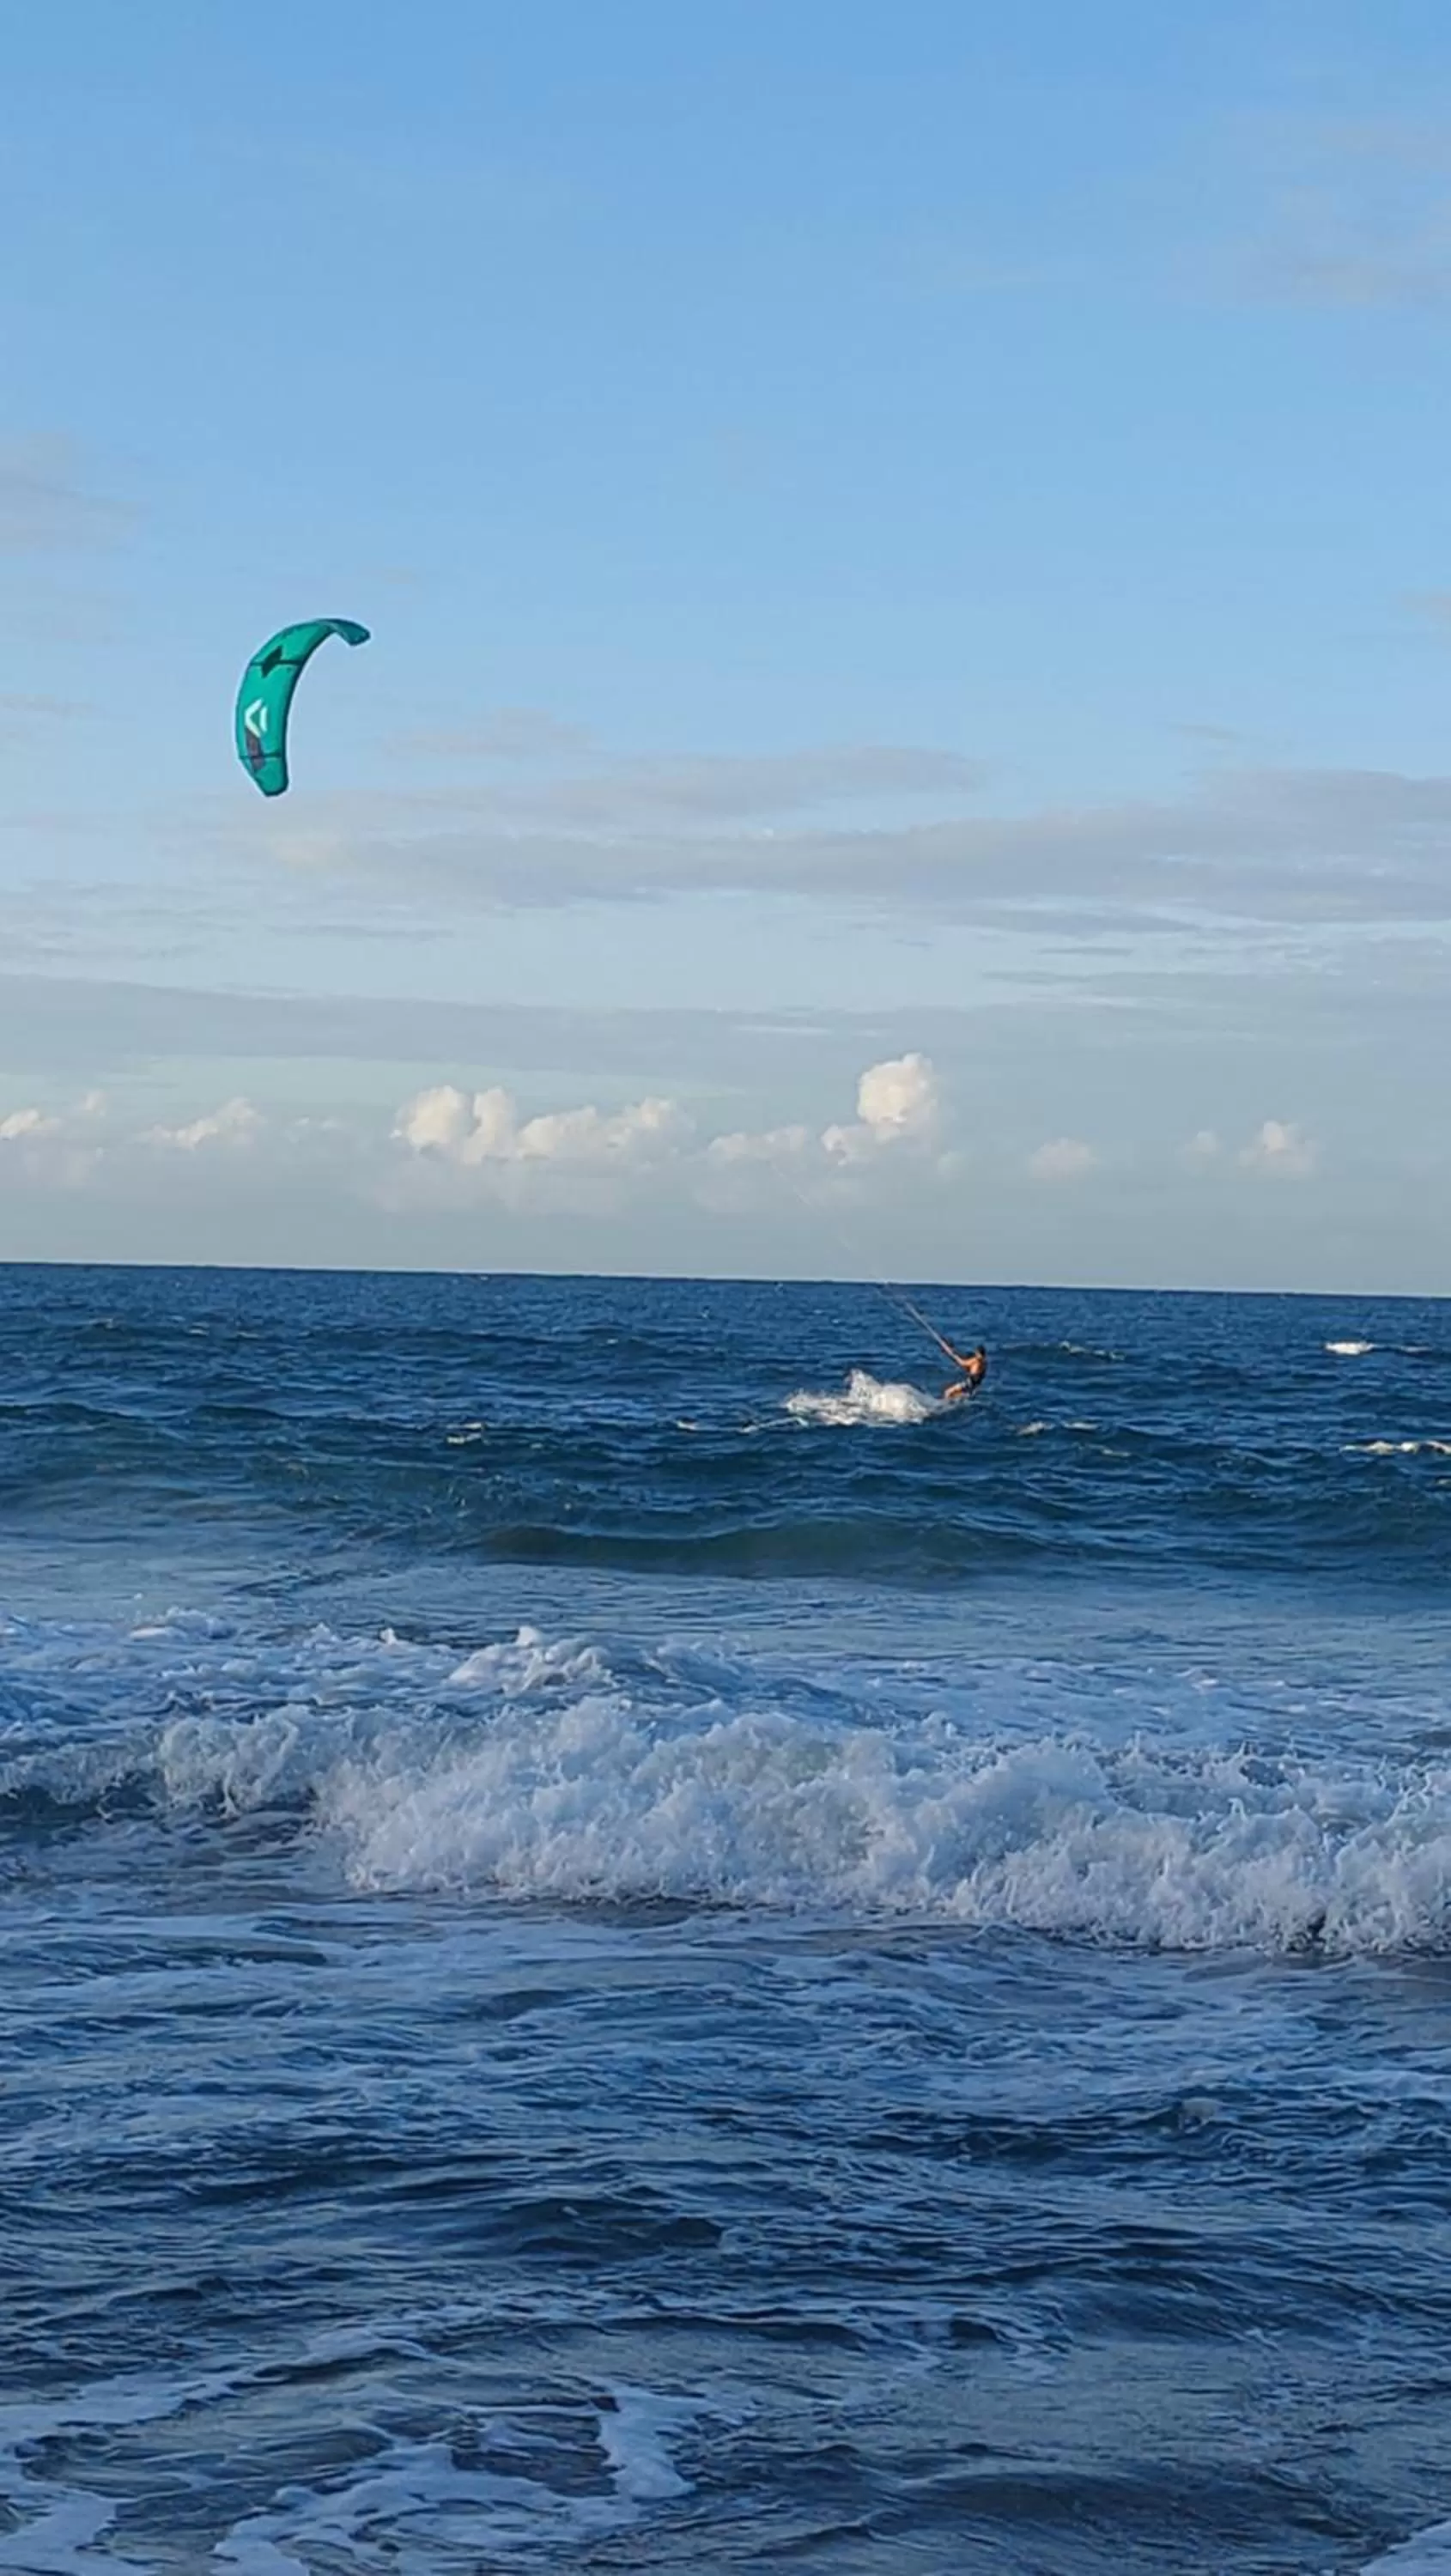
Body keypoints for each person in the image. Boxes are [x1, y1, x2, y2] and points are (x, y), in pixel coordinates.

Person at [941, 1341, 987, 1405]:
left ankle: (942, 1405)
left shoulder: (976, 1360)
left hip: (969, 1382)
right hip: (974, 1386)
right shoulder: (985, 1363)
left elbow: (963, 1363)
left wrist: (954, 1355)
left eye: (976, 1353)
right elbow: (978, 1373)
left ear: (978, 1353)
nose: (975, 1354)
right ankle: (949, 1404)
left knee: (948, 1392)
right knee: (955, 1395)